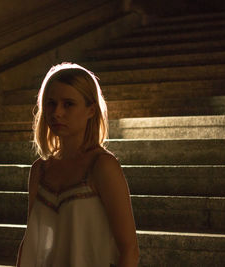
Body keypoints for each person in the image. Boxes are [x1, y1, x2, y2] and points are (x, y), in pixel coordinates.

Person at [16, 62, 140, 267]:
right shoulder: (40, 169)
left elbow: (129, 251)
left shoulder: (103, 166)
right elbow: (31, 242)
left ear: (91, 110)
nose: (57, 112)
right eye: (51, 103)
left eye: (68, 104)